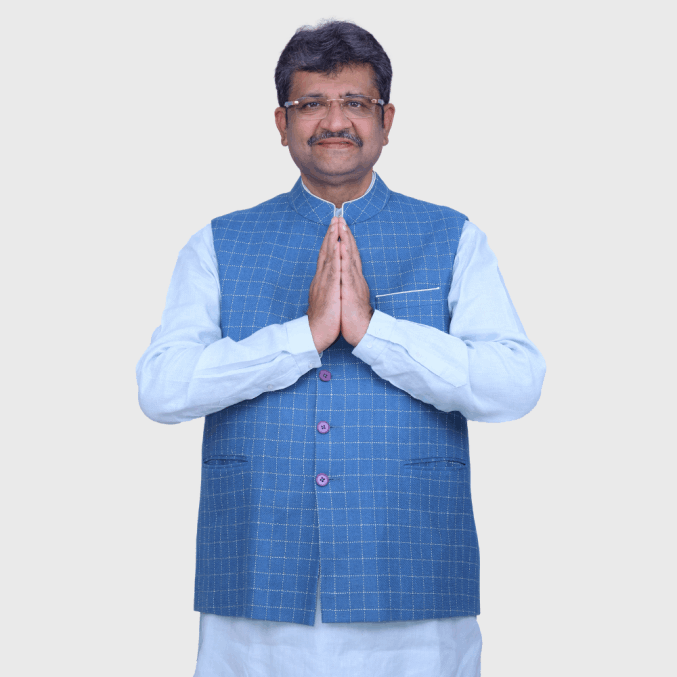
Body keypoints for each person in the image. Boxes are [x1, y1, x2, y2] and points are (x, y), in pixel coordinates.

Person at [136, 19, 545, 677]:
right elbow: (160, 389)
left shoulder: (452, 236)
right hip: (257, 599)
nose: (334, 121)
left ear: (386, 120)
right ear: (281, 122)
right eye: (311, 104)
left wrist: (375, 332)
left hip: (415, 596)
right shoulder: (217, 242)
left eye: (354, 102)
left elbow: (516, 383)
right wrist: (300, 337)